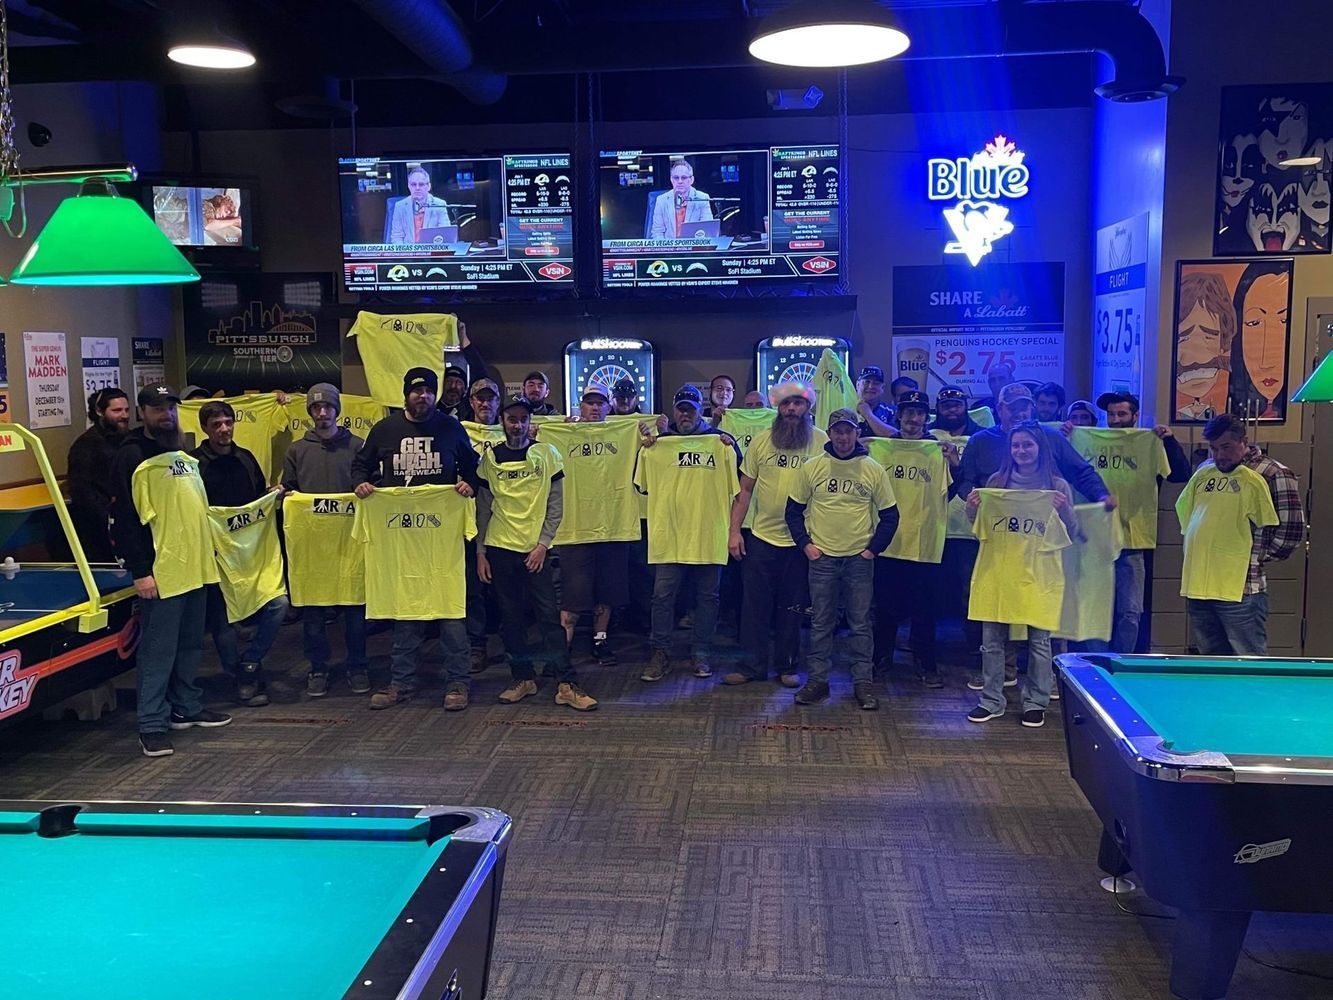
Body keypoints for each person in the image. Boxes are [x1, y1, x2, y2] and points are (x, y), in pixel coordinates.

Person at [109, 384, 231, 757]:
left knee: (192, 644)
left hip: (194, 567)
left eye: (172, 407)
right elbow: (126, 521)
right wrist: (141, 571)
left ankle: (186, 706)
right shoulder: (133, 457)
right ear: (142, 412)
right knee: (158, 650)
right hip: (161, 573)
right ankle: (151, 723)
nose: (167, 414)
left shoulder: (179, 451)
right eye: (159, 408)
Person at [351, 367, 480, 711]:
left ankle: (458, 682)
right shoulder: (385, 429)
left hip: (442, 537)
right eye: (416, 390)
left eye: (428, 391)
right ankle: (401, 683)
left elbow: (472, 467)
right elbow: (360, 465)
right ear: (405, 393)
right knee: (405, 609)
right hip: (401, 537)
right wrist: (362, 484)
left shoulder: (450, 427)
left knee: (451, 611)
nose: (422, 396)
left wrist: (468, 483)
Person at [477, 395, 597, 711]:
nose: (517, 424)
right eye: (511, 419)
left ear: (531, 424)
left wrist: (543, 544)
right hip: (500, 549)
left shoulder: (547, 454)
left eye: (522, 419)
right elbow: (483, 509)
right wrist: (481, 552)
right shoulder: (489, 459)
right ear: (502, 422)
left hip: (536, 552)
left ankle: (566, 683)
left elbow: (555, 506)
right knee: (511, 619)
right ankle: (523, 679)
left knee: (548, 619)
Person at [965, 422, 1082, 729]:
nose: (1021, 451)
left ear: (1040, 448)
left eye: (1027, 445)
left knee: (1040, 643)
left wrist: (1064, 509)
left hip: (1040, 573)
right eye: (1016, 445)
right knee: (991, 641)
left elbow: (1072, 532)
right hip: (999, 570)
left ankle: (1036, 701)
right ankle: (991, 700)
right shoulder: (996, 482)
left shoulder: (1057, 486)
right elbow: (979, 530)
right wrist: (972, 508)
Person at [785, 408, 899, 709]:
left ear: (857, 433)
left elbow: (890, 516)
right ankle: (818, 682)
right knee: (821, 622)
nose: (843, 437)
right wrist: (805, 545)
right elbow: (793, 512)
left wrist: (872, 549)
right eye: (837, 431)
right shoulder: (812, 467)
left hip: (858, 559)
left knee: (860, 623)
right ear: (830, 433)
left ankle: (863, 683)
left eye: (848, 431)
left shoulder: (872, 468)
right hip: (822, 557)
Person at [1070, 391, 1193, 653]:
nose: (1115, 420)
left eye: (1121, 414)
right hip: (1095, 538)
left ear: (1135, 416)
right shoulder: (1087, 439)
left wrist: (1168, 441)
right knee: (1093, 607)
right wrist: (1067, 436)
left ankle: (1121, 661)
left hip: (1132, 539)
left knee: (1130, 610)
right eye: (1111, 415)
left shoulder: (1149, 441)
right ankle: (1096, 663)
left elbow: (1181, 474)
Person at [726, 382, 826, 687]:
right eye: (786, 404)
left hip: (801, 541)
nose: (792, 409)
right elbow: (744, 489)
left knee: (792, 608)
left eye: (798, 404)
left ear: (808, 408)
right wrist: (734, 532)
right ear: (778, 409)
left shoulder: (821, 442)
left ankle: (788, 666)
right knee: (753, 607)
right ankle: (751, 667)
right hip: (761, 537)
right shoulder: (760, 441)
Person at [637, 385, 740, 682]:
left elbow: (740, 485)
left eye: (691, 409)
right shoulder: (659, 445)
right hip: (669, 536)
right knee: (662, 597)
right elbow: (641, 485)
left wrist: (731, 446)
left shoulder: (718, 443)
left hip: (708, 534)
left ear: (700, 411)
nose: (685, 414)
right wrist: (647, 449)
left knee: (708, 597)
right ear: (673, 411)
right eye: (680, 409)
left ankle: (702, 652)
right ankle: (660, 652)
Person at [192, 400, 289, 708]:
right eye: (217, 424)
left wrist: (273, 495)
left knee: (279, 604)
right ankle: (240, 675)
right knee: (223, 620)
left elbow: (258, 498)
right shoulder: (195, 465)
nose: (224, 429)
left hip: (251, 554)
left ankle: (251, 661)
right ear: (204, 428)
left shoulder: (246, 458)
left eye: (228, 422)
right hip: (216, 556)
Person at [1178, 414, 1302, 655]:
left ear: (1244, 442)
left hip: (1242, 588)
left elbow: (1291, 532)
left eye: (1226, 447)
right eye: (1213, 448)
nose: (1219, 455)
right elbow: (1192, 516)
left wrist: (1251, 559)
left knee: (1248, 659)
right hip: (1200, 584)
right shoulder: (1206, 470)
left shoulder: (1273, 473)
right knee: (1210, 660)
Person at [281, 383, 370, 697]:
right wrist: (283, 495)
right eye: (316, 408)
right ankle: (318, 668)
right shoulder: (297, 449)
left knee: (355, 610)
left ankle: (357, 666)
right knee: (314, 612)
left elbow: (369, 484)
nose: (322, 413)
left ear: (337, 410)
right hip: (314, 546)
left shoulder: (357, 446)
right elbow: (288, 489)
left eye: (328, 407)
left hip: (350, 542)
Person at [869, 391, 956, 688]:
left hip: (924, 542)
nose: (913, 418)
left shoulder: (936, 450)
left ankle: (925, 665)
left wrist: (952, 463)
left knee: (924, 611)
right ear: (899, 416)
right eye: (908, 412)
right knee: (885, 609)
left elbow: (951, 492)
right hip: (887, 540)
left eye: (919, 412)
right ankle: (880, 662)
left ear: (926, 417)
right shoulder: (882, 448)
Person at [556, 384, 628, 664]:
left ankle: (600, 640)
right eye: (589, 403)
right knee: (573, 594)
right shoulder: (564, 432)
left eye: (600, 403)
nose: (595, 408)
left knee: (606, 591)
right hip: (575, 526)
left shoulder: (624, 432)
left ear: (608, 407)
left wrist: (649, 433)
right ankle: (564, 649)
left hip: (611, 524)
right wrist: (542, 433)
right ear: (580, 406)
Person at [67, 388, 131, 562]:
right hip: (101, 532)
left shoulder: (129, 440)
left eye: (126, 410)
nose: (124, 415)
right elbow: (83, 494)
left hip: (131, 524)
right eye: (117, 410)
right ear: (99, 411)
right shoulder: (86, 446)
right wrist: (111, 520)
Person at [437, 322, 491, 421]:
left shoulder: (468, 406)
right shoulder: (432, 406)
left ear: (465, 387)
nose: (453, 386)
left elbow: (479, 372)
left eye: (458, 383)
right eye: (449, 382)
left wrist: (463, 337)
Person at [649, 159, 713, 239]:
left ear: (691, 180)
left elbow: (707, 231)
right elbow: (657, 232)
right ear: (671, 180)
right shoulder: (662, 200)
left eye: (684, 178)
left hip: (693, 248)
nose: (679, 181)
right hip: (669, 249)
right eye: (676, 178)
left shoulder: (702, 199)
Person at [389, 166, 451, 245]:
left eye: (421, 184)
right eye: (414, 184)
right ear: (409, 186)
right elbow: (396, 238)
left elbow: (446, 237)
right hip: (408, 254)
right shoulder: (400, 206)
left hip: (432, 253)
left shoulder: (439, 205)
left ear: (428, 186)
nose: (417, 188)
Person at [854, 365, 896, 438]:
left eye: (876, 383)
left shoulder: (892, 412)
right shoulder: (847, 408)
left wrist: (867, 414)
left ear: (882, 387)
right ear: (857, 385)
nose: (870, 386)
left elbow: (896, 436)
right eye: (867, 382)